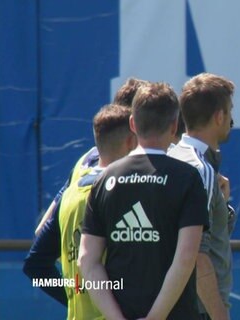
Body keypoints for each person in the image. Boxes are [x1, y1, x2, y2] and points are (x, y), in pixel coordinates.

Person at [78, 82, 209, 319]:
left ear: (132, 124)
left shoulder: (105, 179)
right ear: (175, 126)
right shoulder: (187, 178)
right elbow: (186, 257)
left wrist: (116, 317)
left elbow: (87, 260)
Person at [23, 104, 136, 316]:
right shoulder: (125, 194)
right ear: (131, 141)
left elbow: (36, 262)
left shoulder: (68, 194)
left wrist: (74, 291)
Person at [34, 77, 149, 235]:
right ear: (133, 122)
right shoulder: (135, 168)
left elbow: (42, 229)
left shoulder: (85, 160)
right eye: (146, 118)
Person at [168, 72, 236, 320]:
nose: (231, 121)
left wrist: (223, 207)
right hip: (198, 309)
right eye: (230, 112)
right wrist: (220, 315)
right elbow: (197, 253)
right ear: (219, 117)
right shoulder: (200, 169)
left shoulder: (173, 157)